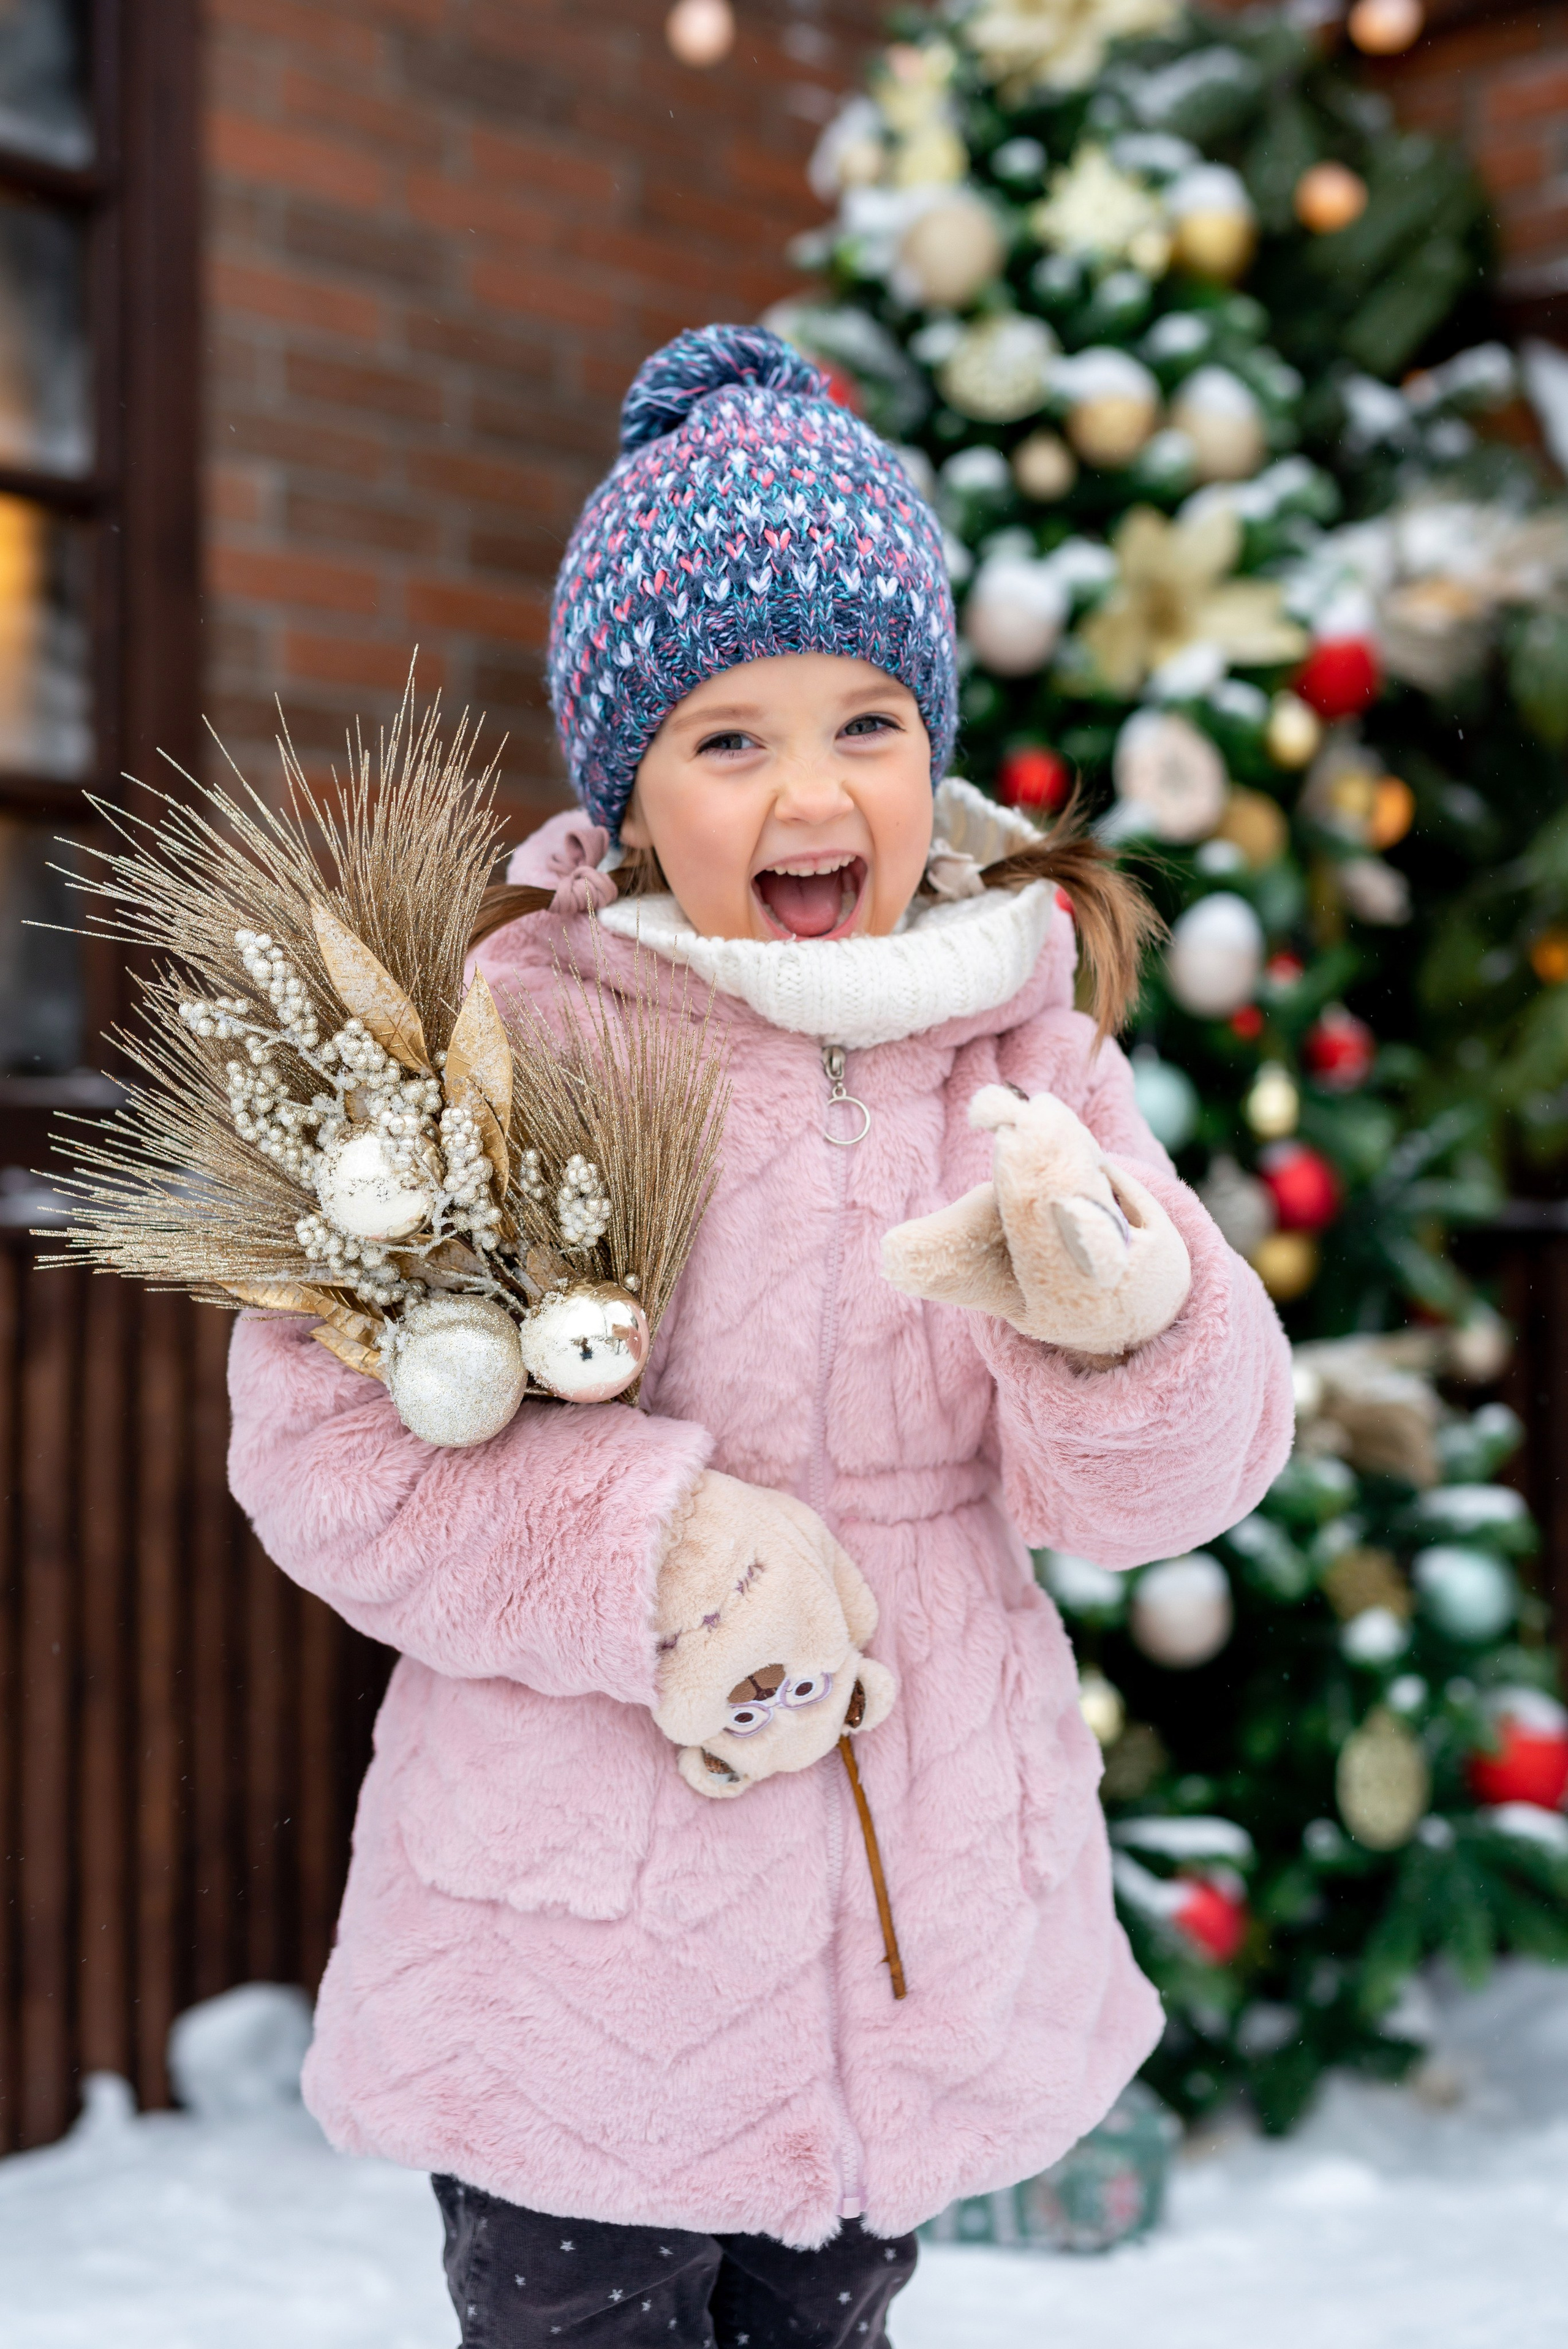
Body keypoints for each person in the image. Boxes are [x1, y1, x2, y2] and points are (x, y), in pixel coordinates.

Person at [228, 325, 1293, 2348]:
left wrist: (1122, 1327)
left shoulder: (1032, 1047)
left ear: (936, 744)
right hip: (577, 1975)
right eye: (729, 738)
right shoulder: (516, 1040)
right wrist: (657, 1547)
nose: (812, 790)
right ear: (628, 781)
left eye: (869, 721)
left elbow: (1171, 1491)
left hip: (893, 1941)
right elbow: (328, 1442)